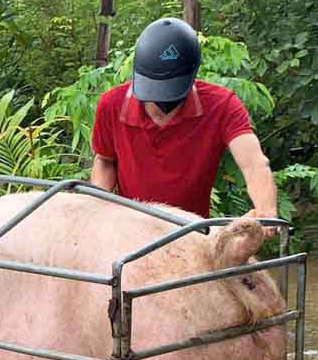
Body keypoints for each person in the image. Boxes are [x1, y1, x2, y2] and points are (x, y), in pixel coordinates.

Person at [90, 17, 278, 224]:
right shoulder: (112, 105)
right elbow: (104, 160)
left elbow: (253, 164)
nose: (160, 104)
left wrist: (266, 213)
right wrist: (98, 209)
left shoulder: (221, 105)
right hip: (132, 230)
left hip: (192, 232)